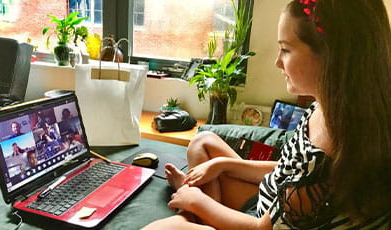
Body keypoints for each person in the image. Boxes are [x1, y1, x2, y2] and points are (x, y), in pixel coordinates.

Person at [143, 0, 391, 229]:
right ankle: (198, 213)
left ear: (330, 56)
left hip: (265, 223)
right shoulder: (325, 108)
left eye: (285, 50)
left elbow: (265, 228)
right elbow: (288, 170)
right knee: (203, 142)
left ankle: (192, 216)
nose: (277, 62)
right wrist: (223, 164)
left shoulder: (330, 155)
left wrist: (196, 201)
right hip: (271, 202)